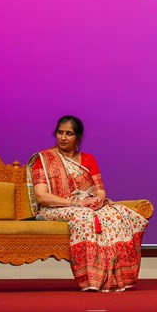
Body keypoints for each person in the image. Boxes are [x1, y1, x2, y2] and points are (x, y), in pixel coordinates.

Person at [28, 116, 148, 292]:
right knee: (85, 216)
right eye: (60, 132)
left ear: (78, 137)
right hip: (54, 209)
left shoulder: (88, 159)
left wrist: (97, 200)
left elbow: (100, 191)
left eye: (69, 133)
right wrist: (77, 203)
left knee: (118, 213)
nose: (63, 137)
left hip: (88, 206)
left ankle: (118, 277)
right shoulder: (44, 160)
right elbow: (41, 197)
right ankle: (92, 278)